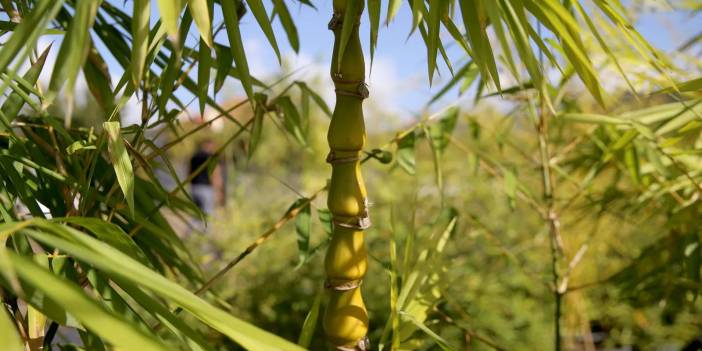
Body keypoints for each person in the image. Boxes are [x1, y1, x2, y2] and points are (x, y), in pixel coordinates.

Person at [189, 139, 225, 216]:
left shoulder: (194, 157)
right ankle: (204, 228)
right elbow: (216, 174)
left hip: (194, 187)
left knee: (196, 213)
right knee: (207, 213)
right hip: (206, 188)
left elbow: (189, 172)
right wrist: (219, 191)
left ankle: (192, 227)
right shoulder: (212, 158)